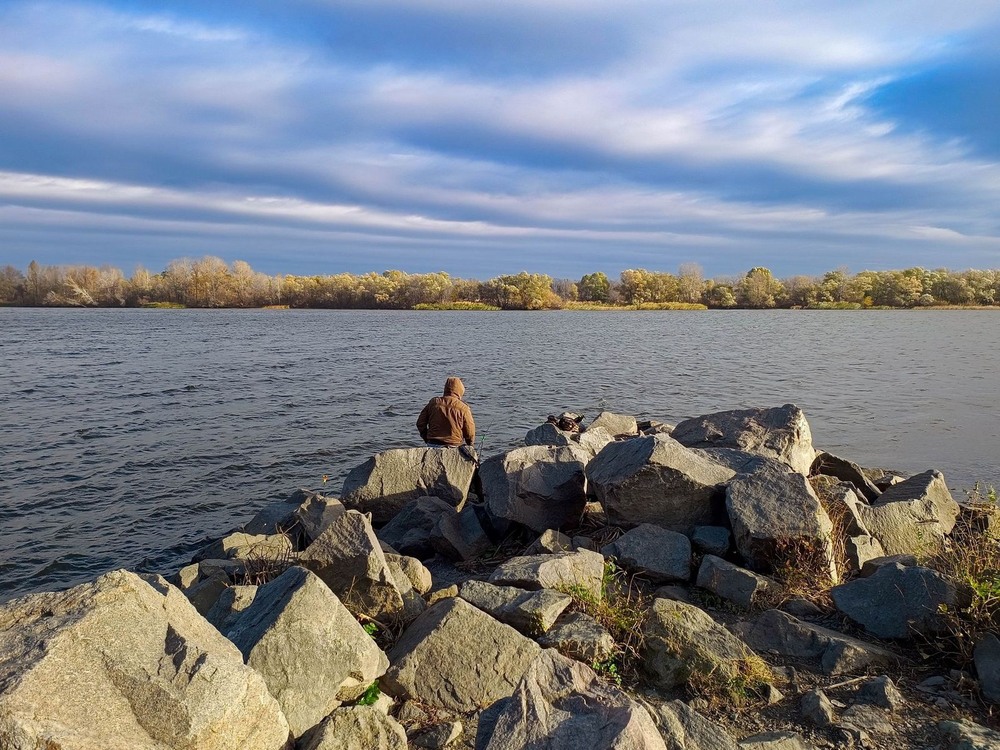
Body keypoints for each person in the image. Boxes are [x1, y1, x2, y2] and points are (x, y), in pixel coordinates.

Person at [417, 376, 476, 447]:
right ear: (460, 390)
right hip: (454, 445)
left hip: (432, 443)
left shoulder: (434, 403)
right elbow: (470, 431)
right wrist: (470, 444)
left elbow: (420, 423)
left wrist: (426, 438)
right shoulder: (463, 408)